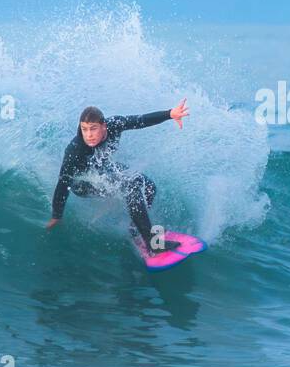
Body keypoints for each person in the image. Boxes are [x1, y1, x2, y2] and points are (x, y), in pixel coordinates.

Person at [45, 100, 189, 254]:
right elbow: (63, 183)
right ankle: (152, 243)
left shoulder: (115, 124)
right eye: (84, 129)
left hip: (102, 170)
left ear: (104, 126)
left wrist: (169, 114)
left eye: (93, 129)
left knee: (149, 187)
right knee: (131, 187)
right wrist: (56, 215)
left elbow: (140, 120)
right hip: (82, 183)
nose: (88, 135)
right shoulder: (75, 150)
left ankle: (136, 227)